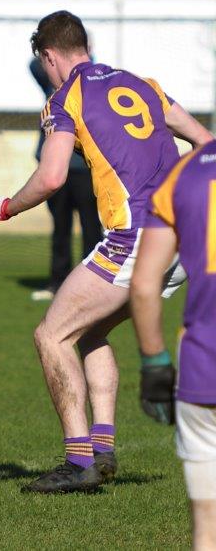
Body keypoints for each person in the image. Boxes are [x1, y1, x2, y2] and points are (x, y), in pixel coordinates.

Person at [0, 10, 213, 494]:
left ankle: (77, 461)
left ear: (49, 56)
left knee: (50, 335)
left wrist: (5, 208)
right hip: (180, 238)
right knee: (90, 331)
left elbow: (52, 176)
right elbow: (206, 143)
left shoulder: (66, 97)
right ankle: (102, 450)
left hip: (134, 238)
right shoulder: (144, 85)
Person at [130, 139, 216, 550]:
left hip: (203, 363)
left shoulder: (187, 170)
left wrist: (155, 364)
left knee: (207, 529)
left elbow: (146, 285)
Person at [28, 57, 103, 301]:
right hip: (56, 170)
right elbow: (34, 65)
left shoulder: (91, 84)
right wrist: (52, 50)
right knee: (60, 228)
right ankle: (57, 283)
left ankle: (95, 282)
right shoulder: (54, 84)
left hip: (84, 170)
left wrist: (84, 55)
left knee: (91, 227)